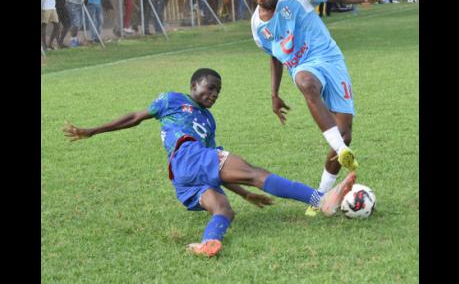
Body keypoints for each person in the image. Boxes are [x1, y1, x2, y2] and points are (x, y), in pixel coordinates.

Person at [62, 68, 356, 258]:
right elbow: (134, 118)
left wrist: (245, 194)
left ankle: (209, 243)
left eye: (217, 92)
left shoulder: (208, 120)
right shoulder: (172, 99)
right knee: (254, 172)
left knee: (224, 210)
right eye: (209, 88)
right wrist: (93, 130)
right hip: (186, 155)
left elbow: (218, 170)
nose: (213, 94)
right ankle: (321, 199)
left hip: (186, 176)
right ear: (193, 85)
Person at [241, 0, 381, 216]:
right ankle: (341, 150)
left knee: (345, 132)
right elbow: (275, 57)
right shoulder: (257, 28)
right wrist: (274, 93)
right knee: (306, 82)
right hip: (303, 67)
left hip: (331, 60)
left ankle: (321, 194)